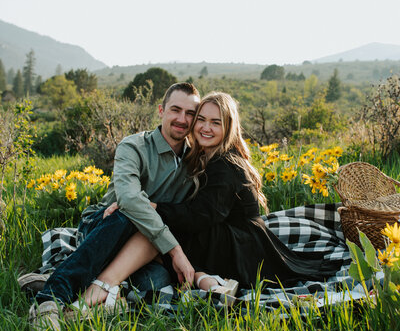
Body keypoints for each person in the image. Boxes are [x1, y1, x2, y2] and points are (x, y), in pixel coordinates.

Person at [71, 92, 342, 312]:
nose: (206, 127)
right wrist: (139, 206)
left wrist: (150, 208)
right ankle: (204, 279)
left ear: (228, 127)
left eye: (216, 122)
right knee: (156, 232)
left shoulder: (224, 164)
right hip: (236, 238)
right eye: (201, 119)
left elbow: (200, 216)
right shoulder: (210, 157)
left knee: (154, 233)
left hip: (238, 246)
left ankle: (101, 287)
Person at [29, 82, 200, 331]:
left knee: (156, 282)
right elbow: (130, 201)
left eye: (190, 114)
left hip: (145, 245)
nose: (182, 119)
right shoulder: (134, 146)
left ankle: (78, 278)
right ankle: (49, 299)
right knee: (126, 214)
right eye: (176, 110)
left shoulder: (195, 160)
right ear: (161, 110)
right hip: (105, 225)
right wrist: (174, 251)